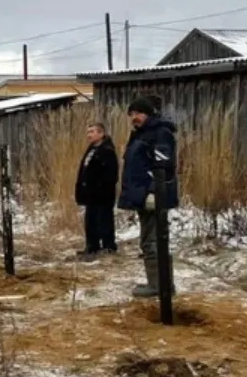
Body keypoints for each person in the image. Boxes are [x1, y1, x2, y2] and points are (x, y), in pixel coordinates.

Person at [118, 96, 179, 297]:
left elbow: (162, 166)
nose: (134, 118)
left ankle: (159, 286)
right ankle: (160, 283)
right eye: (132, 114)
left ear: (149, 113)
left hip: (154, 197)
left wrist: (154, 191)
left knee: (154, 241)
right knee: (150, 240)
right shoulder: (141, 134)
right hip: (143, 197)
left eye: (138, 113)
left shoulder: (160, 133)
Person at [74, 121, 118, 259]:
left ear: (101, 133)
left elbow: (111, 174)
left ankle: (108, 247)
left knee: (104, 220)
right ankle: (92, 246)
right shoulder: (91, 150)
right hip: (90, 193)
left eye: (92, 132)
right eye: (88, 132)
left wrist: (101, 187)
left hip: (103, 193)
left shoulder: (107, 151)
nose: (89, 135)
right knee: (91, 220)